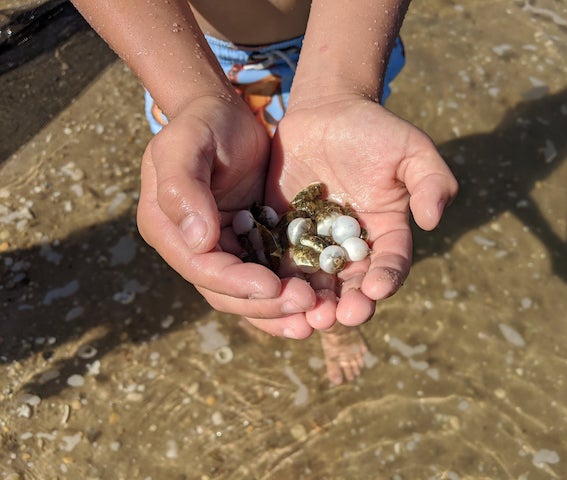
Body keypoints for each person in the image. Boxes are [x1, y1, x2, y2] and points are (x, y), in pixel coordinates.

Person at [70, 0, 458, 348]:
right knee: (221, 209)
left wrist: (342, 87)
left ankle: (328, 326)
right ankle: (265, 303)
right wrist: (194, 98)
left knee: (327, 289)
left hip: (350, 48)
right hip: (195, 61)